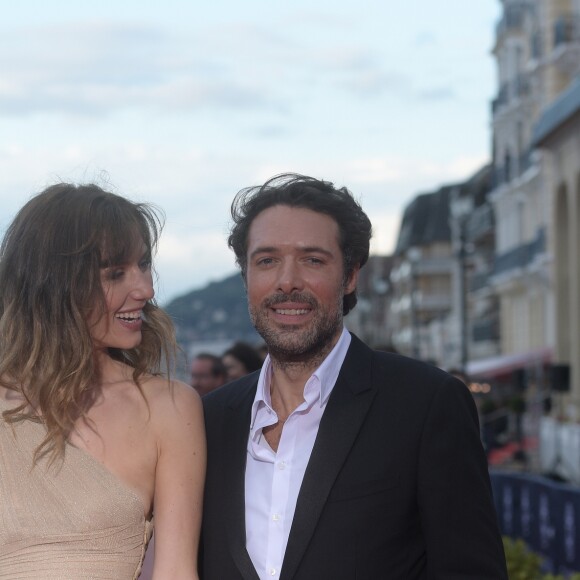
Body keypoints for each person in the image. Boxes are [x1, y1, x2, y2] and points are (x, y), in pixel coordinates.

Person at [201, 173, 507, 579]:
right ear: (246, 278)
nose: (287, 281)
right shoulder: (209, 420)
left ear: (349, 276)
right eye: (267, 260)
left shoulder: (426, 405)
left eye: (312, 259)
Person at [0, 183, 205, 579]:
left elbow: (176, 572)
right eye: (116, 273)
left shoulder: (168, 407)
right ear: (55, 284)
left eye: (144, 265)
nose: (145, 289)